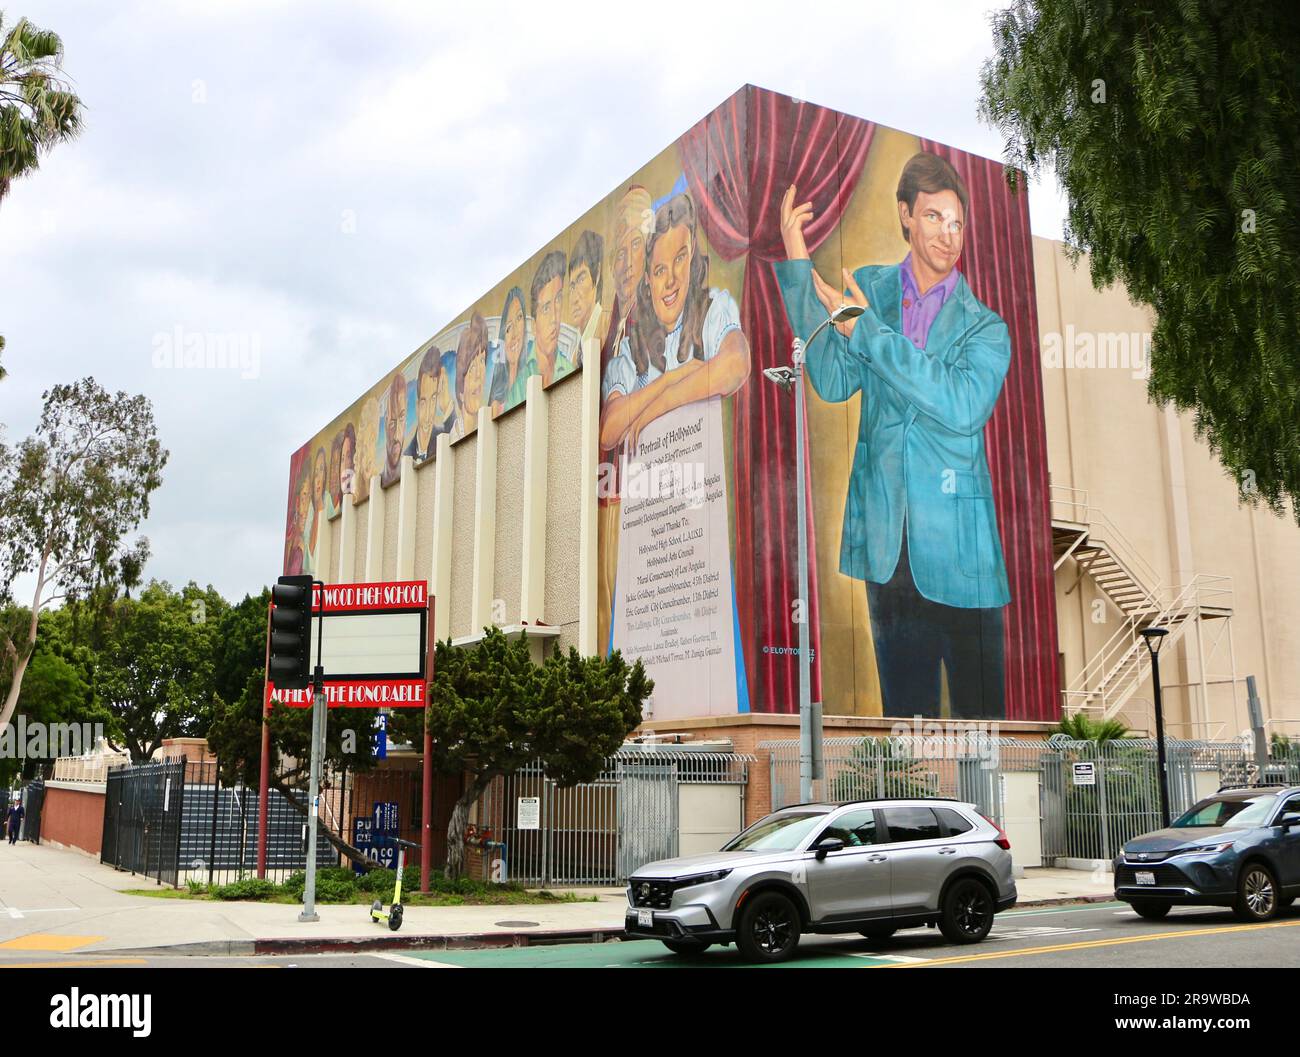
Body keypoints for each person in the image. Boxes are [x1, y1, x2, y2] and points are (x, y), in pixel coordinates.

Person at [774, 151, 1011, 719]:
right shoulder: (872, 289)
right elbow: (830, 378)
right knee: (908, 728)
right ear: (905, 215)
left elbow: (958, 404)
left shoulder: (987, 327)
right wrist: (798, 262)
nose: (948, 235)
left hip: (963, 556)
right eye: (934, 218)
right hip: (888, 549)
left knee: (988, 735)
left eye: (957, 222)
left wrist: (868, 332)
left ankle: (986, 814)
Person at [528, 250, 574, 387]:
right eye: (546, 308)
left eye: (558, 299)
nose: (554, 318)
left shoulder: (569, 371)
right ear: (533, 325)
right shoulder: (519, 384)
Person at [405, 347, 451, 462]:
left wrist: (447, 407)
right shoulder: (406, 456)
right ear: (417, 406)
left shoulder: (445, 436)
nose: (428, 415)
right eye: (424, 402)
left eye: (433, 399)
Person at [568, 229, 604, 370]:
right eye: (572, 286)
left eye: (581, 279)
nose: (574, 298)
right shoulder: (574, 355)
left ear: (598, 273)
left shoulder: (606, 329)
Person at [489, 287, 528, 414]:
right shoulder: (496, 404)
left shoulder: (531, 381)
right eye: (508, 328)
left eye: (519, 317)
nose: (515, 334)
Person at [454, 313, 490, 436]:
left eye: (482, 361)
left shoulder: (488, 427)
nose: (478, 374)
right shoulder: (453, 438)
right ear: (460, 392)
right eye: (472, 367)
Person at [379, 372, 408, 489]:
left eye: (401, 418)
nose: (396, 435)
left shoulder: (411, 468)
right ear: (386, 424)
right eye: (392, 423)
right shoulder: (379, 480)